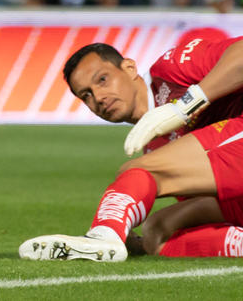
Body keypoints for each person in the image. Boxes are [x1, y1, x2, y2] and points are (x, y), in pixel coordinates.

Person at [19, 34, 243, 261]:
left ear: (129, 68)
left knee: (140, 170)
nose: (99, 97)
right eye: (86, 95)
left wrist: (183, 107)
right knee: (156, 231)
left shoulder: (173, 67)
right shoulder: (154, 147)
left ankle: (105, 235)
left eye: (102, 80)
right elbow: (220, 198)